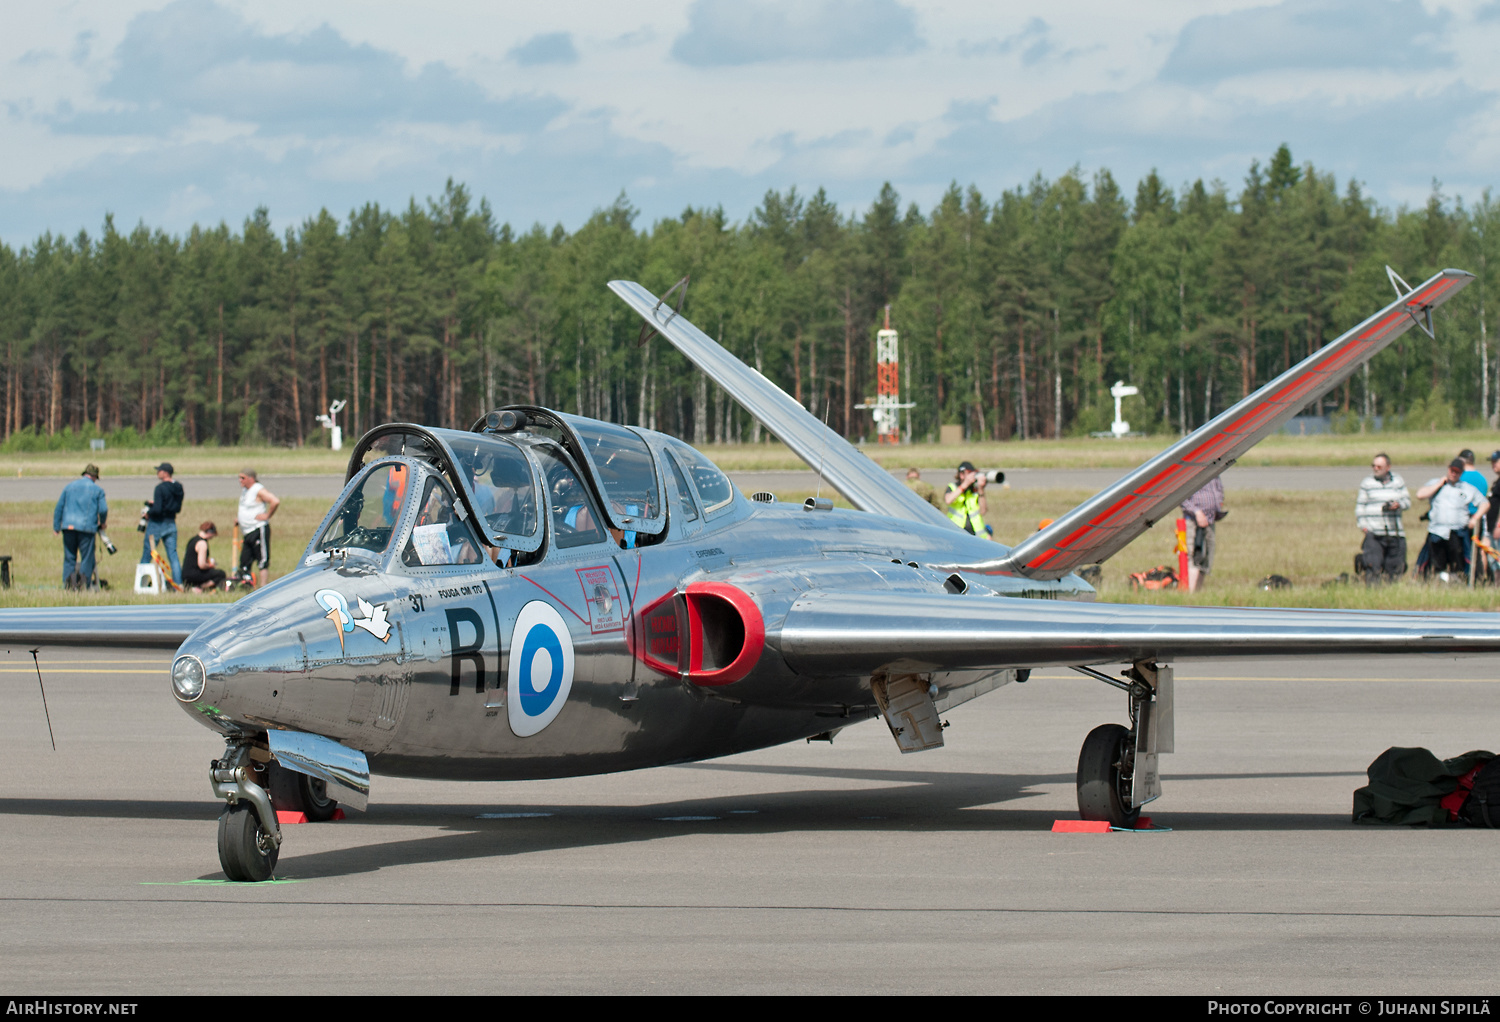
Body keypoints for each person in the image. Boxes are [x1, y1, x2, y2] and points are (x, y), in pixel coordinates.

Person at [1415, 459, 1489, 581]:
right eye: (1452, 470)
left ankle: (1458, 581)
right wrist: (1439, 484)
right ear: (1448, 469)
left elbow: (1485, 503)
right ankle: (1436, 581)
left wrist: (1475, 518)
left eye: (1457, 472)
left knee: (1458, 564)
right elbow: (1420, 495)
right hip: (1437, 532)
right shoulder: (1436, 483)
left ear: (1461, 473)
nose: (1453, 474)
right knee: (1436, 563)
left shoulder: (1467, 488)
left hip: (1457, 533)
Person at [1355, 453, 1411, 583]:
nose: (1375, 469)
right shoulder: (1367, 482)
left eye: (1379, 466)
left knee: (1395, 568)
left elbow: (1407, 502)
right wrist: (1364, 527)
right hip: (1374, 533)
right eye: (1373, 466)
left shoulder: (1398, 481)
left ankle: (1390, 592)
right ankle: (1373, 593)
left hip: (1394, 532)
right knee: (1372, 567)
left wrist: (1398, 505)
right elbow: (1360, 507)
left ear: (1388, 467)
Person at [53, 463, 109, 589]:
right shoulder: (97, 490)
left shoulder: (69, 487)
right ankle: (83, 585)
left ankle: (68, 585)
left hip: (68, 528)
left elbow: (59, 508)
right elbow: (103, 509)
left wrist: (56, 526)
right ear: (94, 477)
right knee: (87, 558)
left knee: (69, 557)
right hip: (86, 528)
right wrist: (103, 522)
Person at [139, 461, 184, 587]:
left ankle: (141, 583)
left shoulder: (160, 488)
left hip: (157, 524)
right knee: (173, 555)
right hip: (171, 523)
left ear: (165, 473)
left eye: (159, 471)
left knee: (148, 552)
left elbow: (158, 510)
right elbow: (175, 507)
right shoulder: (178, 487)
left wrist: (148, 513)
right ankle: (178, 584)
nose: (157, 473)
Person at [1180, 477, 1225, 591]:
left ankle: (1197, 593)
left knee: (1207, 557)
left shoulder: (1213, 471)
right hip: (1194, 520)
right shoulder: (1190, 472)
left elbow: (1218, 489)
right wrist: (1197, 512)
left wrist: (1217, 507)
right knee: (1195, 555)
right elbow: (1181, 497)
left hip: (1210, 519)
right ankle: (1190, 594)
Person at [237, 469, 280, 587]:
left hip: (258, 529)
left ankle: (263, 586)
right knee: (245, 560)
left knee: (262, 560)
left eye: (243, 478)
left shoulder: (258, 490)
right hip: (247, 531)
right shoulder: (246, 491)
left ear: (251, 478)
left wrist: (267, 515)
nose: (240, 480)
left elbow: (275, 501)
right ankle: (246, 584)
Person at [945, 461, 989, 537]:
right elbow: (948, 500)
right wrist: (965, 484)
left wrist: (981, 489)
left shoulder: (975, 490)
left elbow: (983, 511)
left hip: (976, 534)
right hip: (956, 532)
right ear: (961, 475)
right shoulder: (953, 487)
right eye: (969, 473)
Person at [182, 521, 227, 593]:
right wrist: (210, 565)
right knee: (221, 574)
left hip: (185, 574)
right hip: (194, 575)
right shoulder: (202, 543)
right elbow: (202, 565)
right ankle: (200, 588)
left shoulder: (193, 540)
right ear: (210, 532)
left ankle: (193, 586)